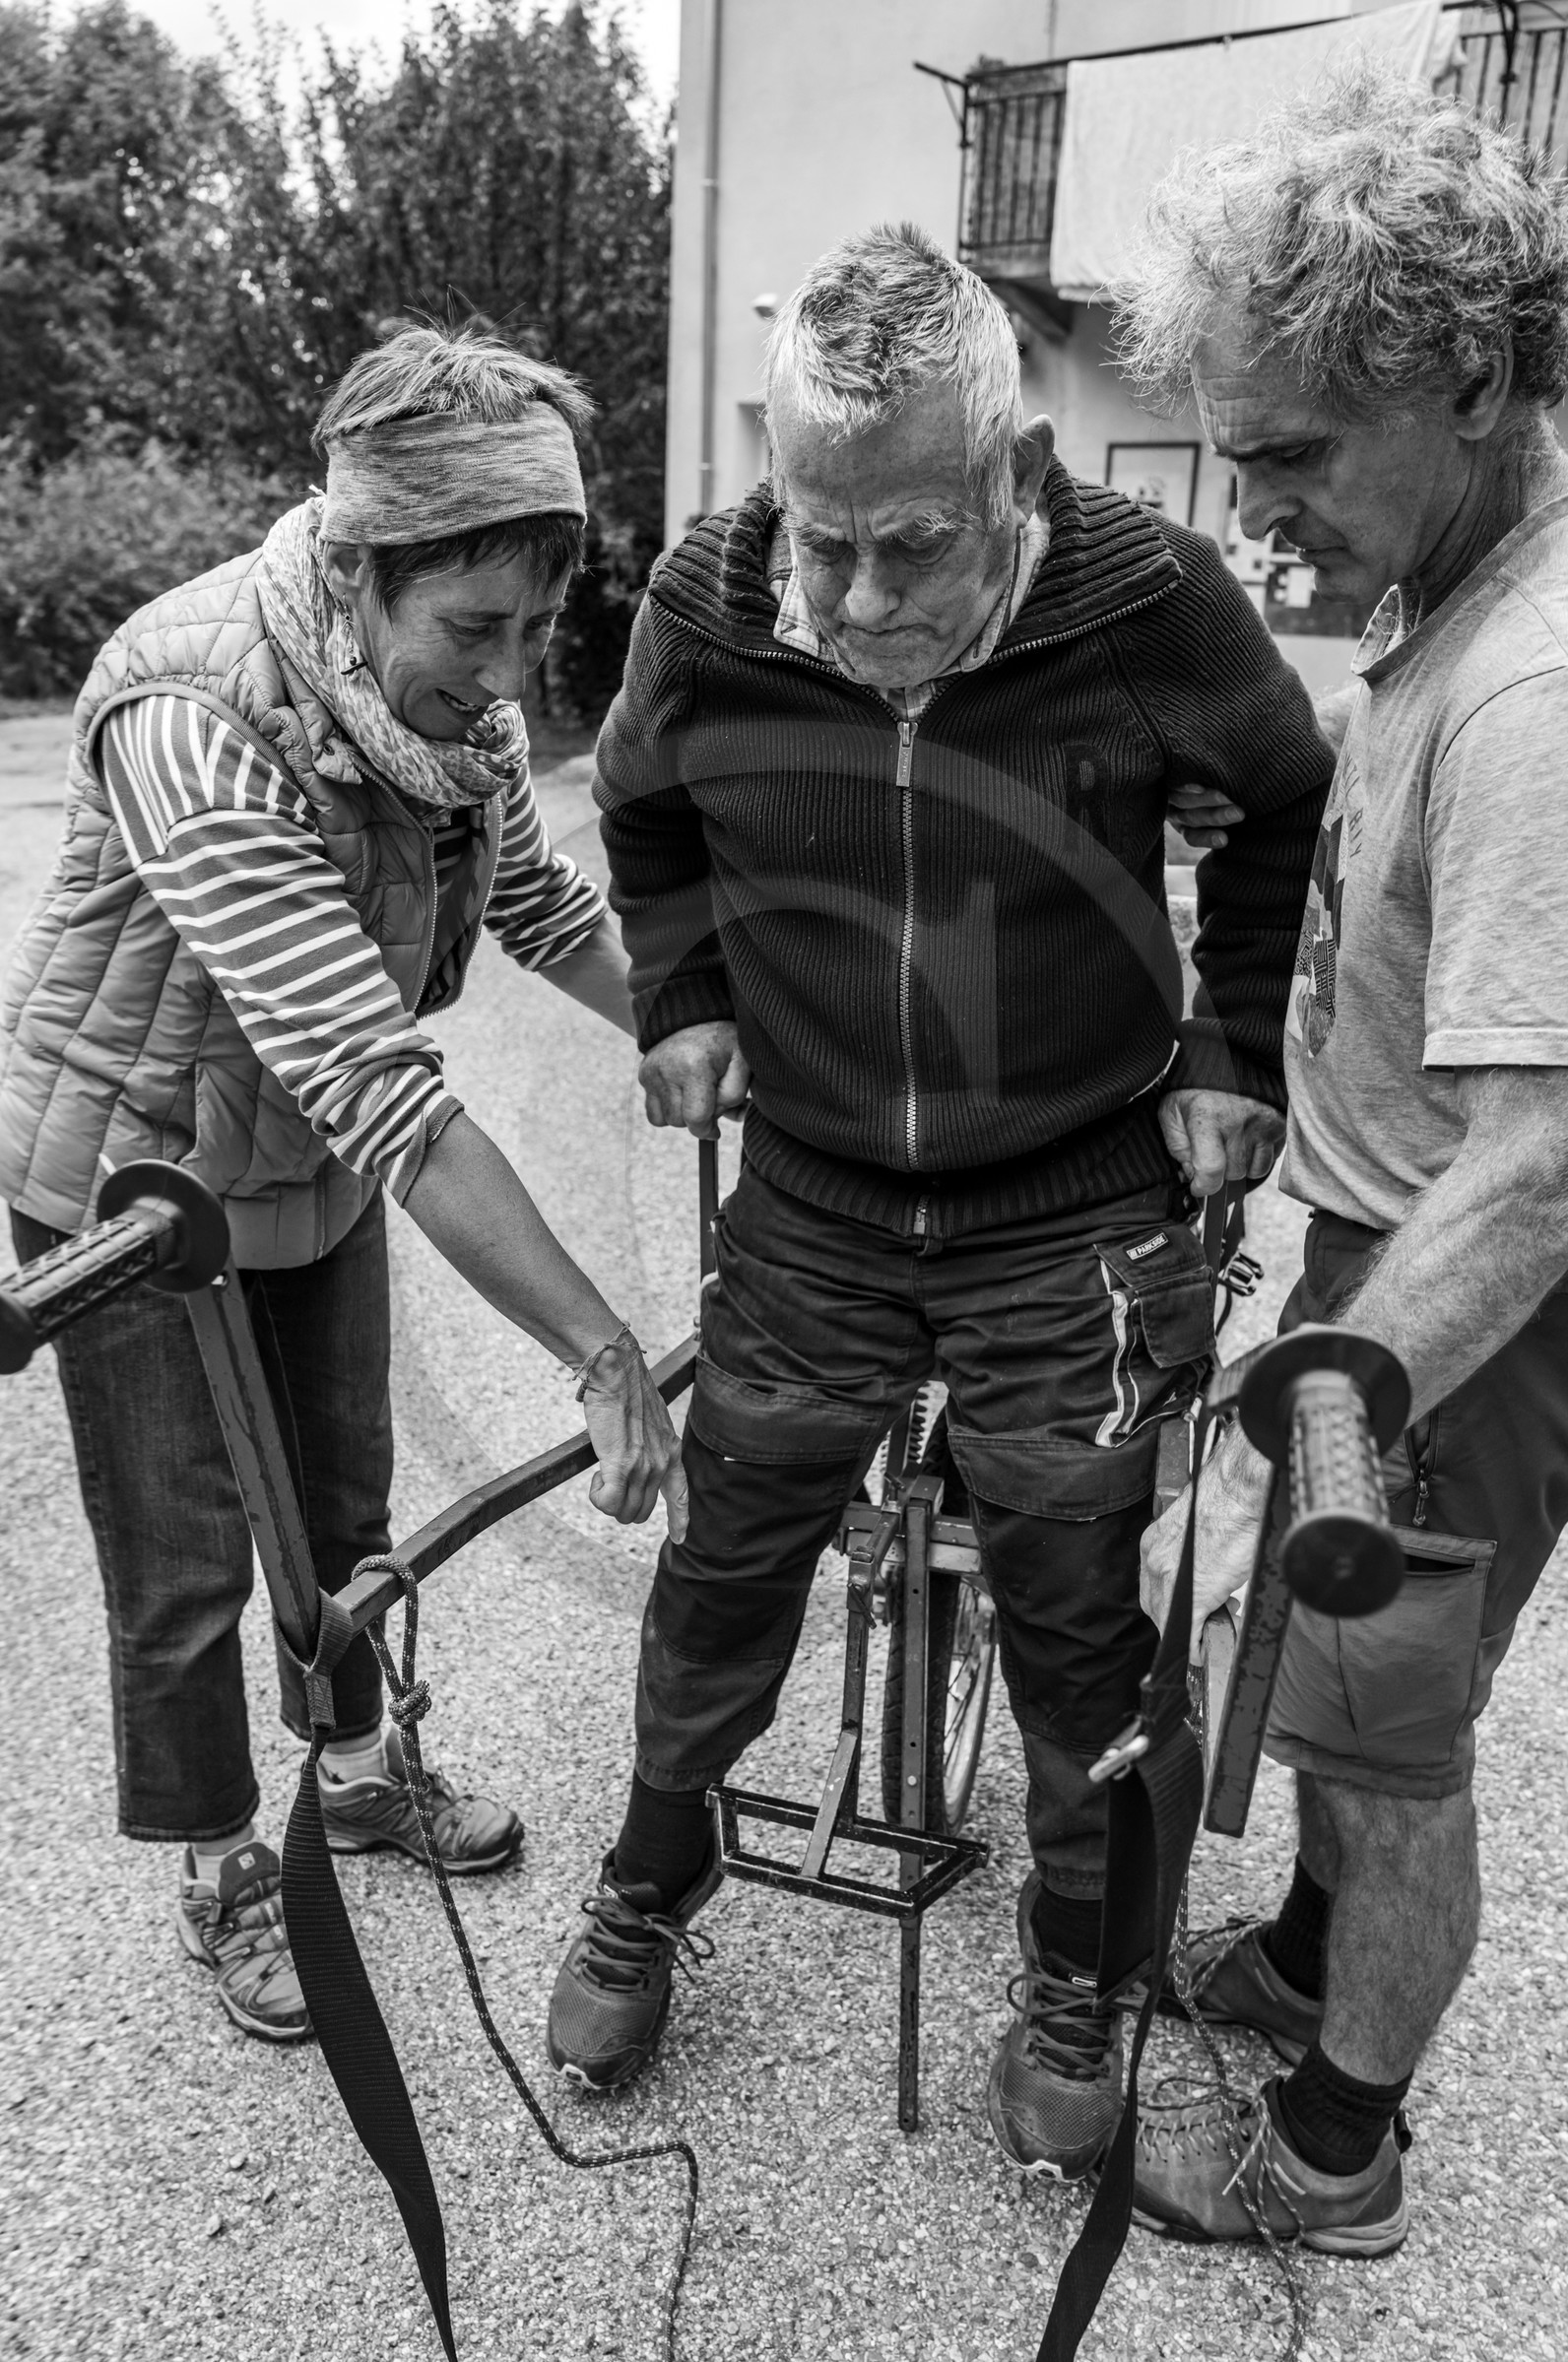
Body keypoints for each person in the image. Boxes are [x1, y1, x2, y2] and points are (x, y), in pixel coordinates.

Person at [542, 223, 1335, 2182]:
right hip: (809, 1190)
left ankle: (1074, 1970)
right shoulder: (714, 594)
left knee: (1076, 1608)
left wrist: (1232, 1044)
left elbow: (1282, 794)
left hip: (1062, 1194)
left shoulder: (1149, 595)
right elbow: (636, 806)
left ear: (1006, 478)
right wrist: (686, 994)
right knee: (728, 1556)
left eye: (907, 542)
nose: (854, 588)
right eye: (820, 534)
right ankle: (651, 1875)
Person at [0, 323, 686, 2044]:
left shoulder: (449, 711)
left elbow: (544, 910)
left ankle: (366, 1770)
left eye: (539, 624)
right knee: (185, 1557)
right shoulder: (192, 707)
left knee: (346, 1505)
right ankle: (227, 1868)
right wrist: (602, 1348)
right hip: (134, 1195)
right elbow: (389, 1089)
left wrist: (714, 1031)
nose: (510, 668)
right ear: (363, 568)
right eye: (475, 628)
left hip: (293, 1159)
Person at [1123, 66, 1568, 2251]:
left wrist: (1332, 1386)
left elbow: (1549, 1154)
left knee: (1386, 1739)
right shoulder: (1458, 591)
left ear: (1463, 372)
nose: (1255, 506)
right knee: (1326, 1699)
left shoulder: (1537, 688)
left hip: (1454, 1291)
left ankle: (1332, 2144)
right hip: (1377, 1241)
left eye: (1290, 452)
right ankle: (1306, 1957)